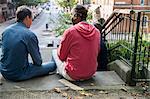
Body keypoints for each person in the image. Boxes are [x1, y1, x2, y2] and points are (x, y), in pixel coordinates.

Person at [0, 6, 56, 82]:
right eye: (31, 19)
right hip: (18, 74)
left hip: (4, 71)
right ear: (27, 18)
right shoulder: (29, 35)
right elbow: (38, 62)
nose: (31, 22)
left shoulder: (6, 31)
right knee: (52, 65)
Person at [52, 5, 100, 81]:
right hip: (90, 73)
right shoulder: (96, 32)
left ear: (76, 16)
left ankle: (55, 75)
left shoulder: (70, 32)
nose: (71, 18)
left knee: (54, 52)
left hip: (72, 75)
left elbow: (61, 56)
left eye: (72, 15)